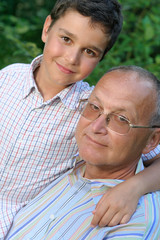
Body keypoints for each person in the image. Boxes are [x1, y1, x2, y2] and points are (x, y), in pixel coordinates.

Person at [0, 0, 160, 238]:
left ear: (101, 58)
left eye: (89, 51)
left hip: (12, 225)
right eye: (66, 39)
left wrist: (134, 188)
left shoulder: (91, 110)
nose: (71, 58)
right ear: (47, 29)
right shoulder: (8, 77)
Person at [6, 65, 160, 240]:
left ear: (152, 140)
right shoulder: (64, 157)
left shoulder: (134, 223)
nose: (96, 127)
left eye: (121, 119)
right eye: (94, 107)